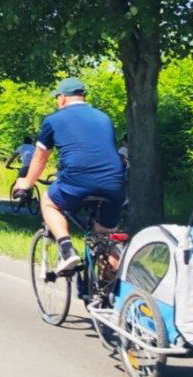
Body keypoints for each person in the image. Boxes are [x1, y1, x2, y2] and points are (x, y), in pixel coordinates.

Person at [14, 77, 125, 274]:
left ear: (63, 98)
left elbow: (40, 158)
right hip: (114, 182)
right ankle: (107, 292)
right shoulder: (103, 117)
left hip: (78, 179)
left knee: (48, 201)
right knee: (107, 236)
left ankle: (67, 250)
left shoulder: (53, 120)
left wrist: (26, 183)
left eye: (57, 98)